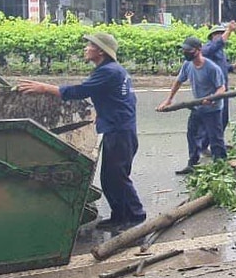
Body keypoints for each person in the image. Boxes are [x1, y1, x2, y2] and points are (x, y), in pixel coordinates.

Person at [18, 34, 145, 230]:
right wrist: (103, 114)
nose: (85, 48)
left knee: (117, 176)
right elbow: (124, 100)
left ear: (100, 51)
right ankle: (119, 216)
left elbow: (79, 91)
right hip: (119, 127)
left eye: (90, 45)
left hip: (119, 130)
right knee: (110, 177)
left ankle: (135, 215)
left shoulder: (109, 72)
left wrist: (43, 87)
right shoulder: (111, 70)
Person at [156, 36, 226, 175]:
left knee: (215, 138)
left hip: (213, 109)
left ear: (199, 50)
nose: (186, 52)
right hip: (197, 107)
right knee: (192, 134)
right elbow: (178, 81)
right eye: (184, 50)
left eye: (189, 50)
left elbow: (221, 88)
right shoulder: (187, 65)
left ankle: (221, 167)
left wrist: (211, 98)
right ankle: (192, 164)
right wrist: (169, 99)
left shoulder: (211, 68)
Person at [198, 21, 236, 154]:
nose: (220, 36)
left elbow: (227, 68)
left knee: (223, 119)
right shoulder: (207, 49)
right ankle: (204, 145)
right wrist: (229, 30)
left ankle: (218, 143)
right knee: (213, 120)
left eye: (221, 33)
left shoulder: (221, 53)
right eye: (217, 34)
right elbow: (216, 45)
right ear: (212, 36)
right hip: (212, 91)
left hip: (223, 90)